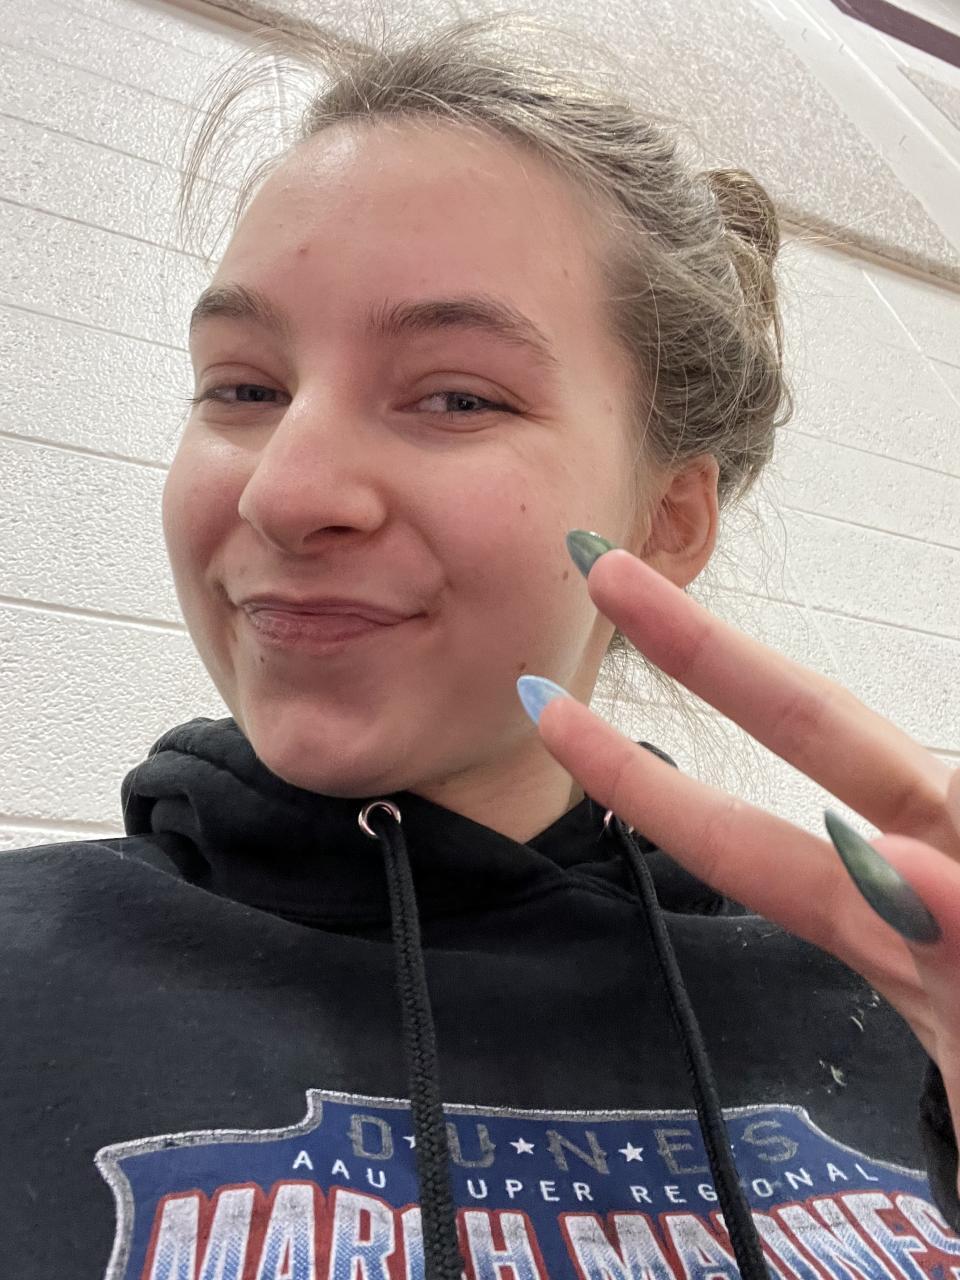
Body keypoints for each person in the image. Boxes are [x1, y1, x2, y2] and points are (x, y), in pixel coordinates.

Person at [2, 13, 958, 1279]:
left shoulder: (905, 1003)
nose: (286, 492)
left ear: (668, 518)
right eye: (245, 387)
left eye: (455, 395)